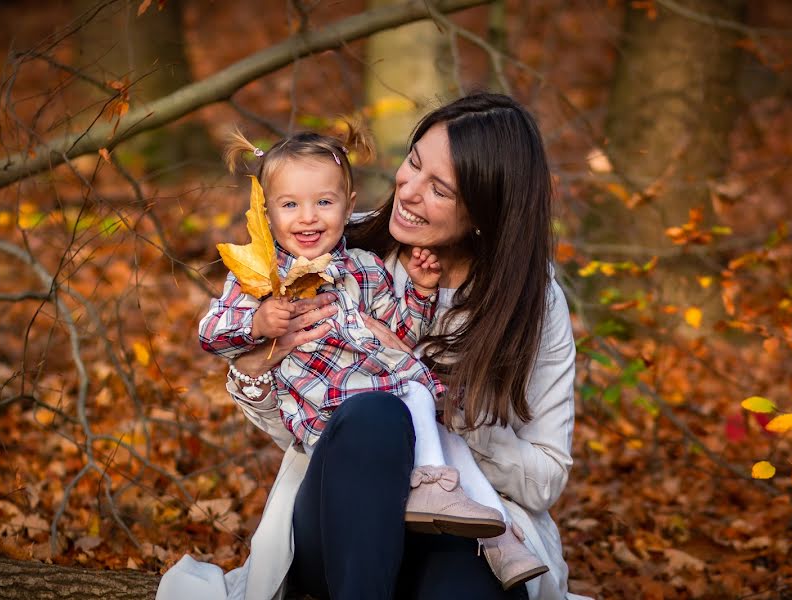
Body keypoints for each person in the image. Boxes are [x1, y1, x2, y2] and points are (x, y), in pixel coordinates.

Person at [157, 93, 580, 600]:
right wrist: (254, 364)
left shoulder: (533, 304)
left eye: (439, 188)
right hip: (341, 519)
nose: (407, 189)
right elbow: (308, 428)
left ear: (485, 211)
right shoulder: (334, 245)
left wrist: (435, 400)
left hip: (466, 524)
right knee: (375, 415)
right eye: (414, 162)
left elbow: (545, 480)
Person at [197, 125, 535, 561]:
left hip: (390, 402)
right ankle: (486, 531)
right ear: (265, 213)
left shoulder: (364, 268)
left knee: (425, 405)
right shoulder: (259, 276)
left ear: (348, 205)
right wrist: (258, 323)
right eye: (289, 205)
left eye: (324, 202)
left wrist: (421, 291)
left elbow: (403, 331)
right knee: (399, 419)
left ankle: (489, 533)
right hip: (335, 423)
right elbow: (211, 332)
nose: (308, 217)